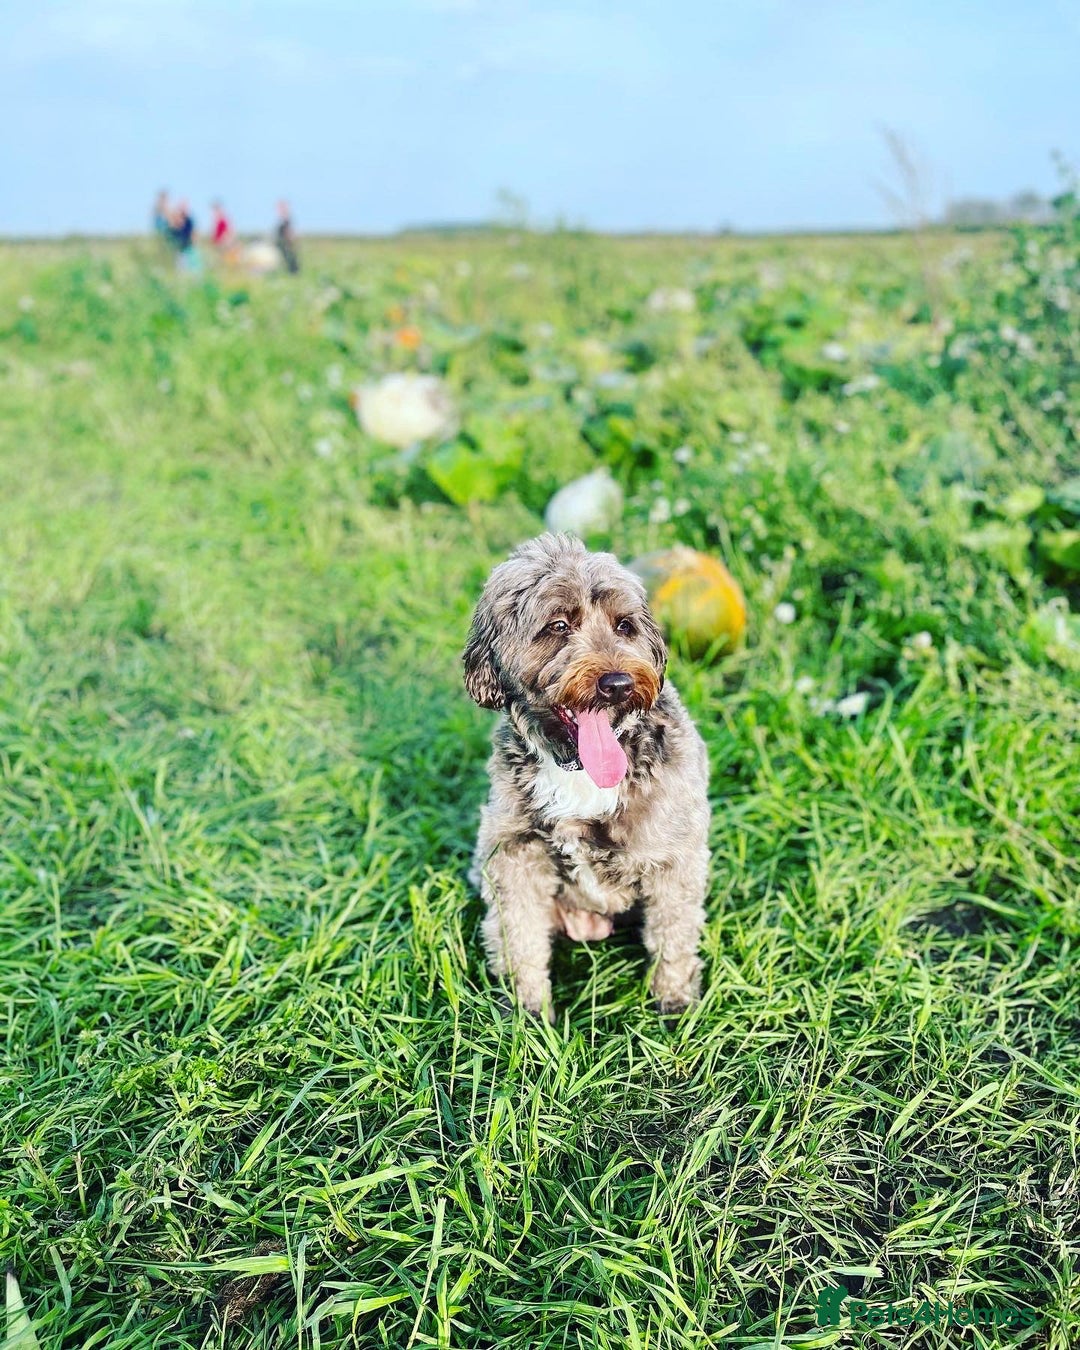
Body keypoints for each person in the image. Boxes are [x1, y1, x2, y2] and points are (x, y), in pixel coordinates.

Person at [275, 200, 300, 273]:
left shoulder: (287, 222)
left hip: (287, 248)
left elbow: (290, 235)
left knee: (291, 266)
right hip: (284, 247)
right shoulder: (284, 221)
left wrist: (290, 245)